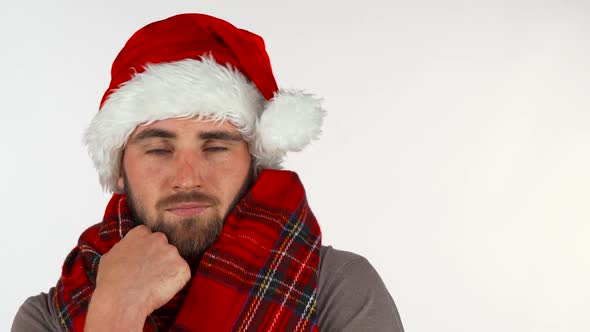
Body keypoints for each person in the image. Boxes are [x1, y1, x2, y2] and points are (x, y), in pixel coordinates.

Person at [12, 13, 404, 332]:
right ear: (118, 169)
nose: (187, 177)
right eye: (158, 149)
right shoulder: (49, 318)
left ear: (255, 163)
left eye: (215, 147)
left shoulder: (338, 289)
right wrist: (116, 309)